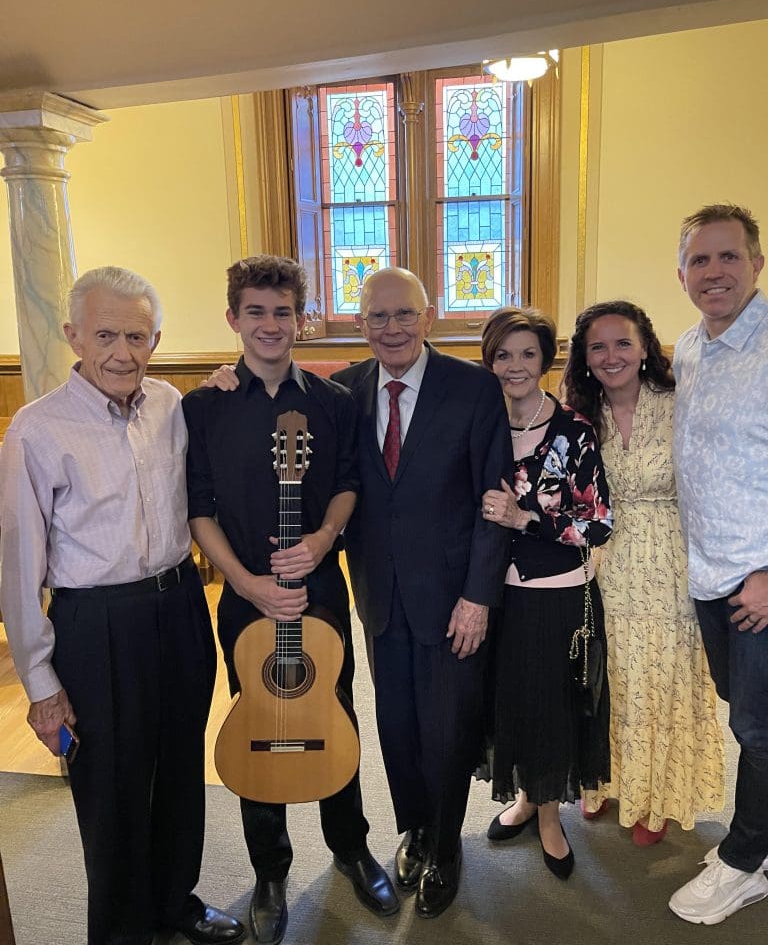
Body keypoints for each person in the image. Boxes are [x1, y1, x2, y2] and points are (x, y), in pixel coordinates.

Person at [0, 267, 244, 945]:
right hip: (95, 624)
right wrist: (42, 686)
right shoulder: (37, 430)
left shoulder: (171, 403)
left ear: (156, 339)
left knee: (178, 772)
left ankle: (175, 904)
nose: (121, 352)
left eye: (136, 336)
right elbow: (17, 569)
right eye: (105, 334)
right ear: (74, 334)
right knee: (110, 790)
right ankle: (120, 932)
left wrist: (229, 383)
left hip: (180, 610)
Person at [183, 256, 398, 945]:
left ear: (300, 318)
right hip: (246, 598)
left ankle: (351, 846)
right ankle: (270, 870)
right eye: (256, 312)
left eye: (283, 312)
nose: (271, 325)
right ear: (233, 319)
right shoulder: (203, 407)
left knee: (331, 711)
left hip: (320, 589)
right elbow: (198, 508)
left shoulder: (334, 402)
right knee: (259, 715)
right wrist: (245, 583)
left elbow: (347, 483)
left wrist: (323, 537)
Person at [333, 268, 512, 917]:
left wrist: (478, 597)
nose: (392, 328)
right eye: (378, 317)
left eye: (404, 314)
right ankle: (412, 827)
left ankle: (446, 844)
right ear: (360, 325)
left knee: (448, 727)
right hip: (378, 593)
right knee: (397, 721)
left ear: (429, 316)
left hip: (453, 598)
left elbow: (498, 502)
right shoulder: (342, 392)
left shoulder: (473, 389)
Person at [562, 300, 724, 845]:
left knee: (660, 677)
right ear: (584, 358)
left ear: (645, 347)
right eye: (598, 347)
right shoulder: (579, 416)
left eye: (623, 343)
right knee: (606, 678)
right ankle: (601, 783)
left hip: (671, 561)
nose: (612, 356)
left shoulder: (681, 402)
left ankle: (654, 797)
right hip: (601, 561)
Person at [478, 306, 612, 880]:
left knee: (554, 706)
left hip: (558, 594)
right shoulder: (478, 424)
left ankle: (551, 816)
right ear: (489, 361)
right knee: (510, 700)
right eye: (503, 354)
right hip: (492, 594)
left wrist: (526, 518)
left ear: (546, 358)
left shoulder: (573, 430)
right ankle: (528, 798)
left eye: (528, 354)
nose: (516, 366)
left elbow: (598, 523)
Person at [669, 203, 768, 924]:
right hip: (705, 573)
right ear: (682, 275)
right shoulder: (687, 349)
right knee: (748, 718)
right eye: (700, 261)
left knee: (760, 730)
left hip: (756, 580)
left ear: (756, 265)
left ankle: (743, 861)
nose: (714, 273)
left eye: (728, 257)